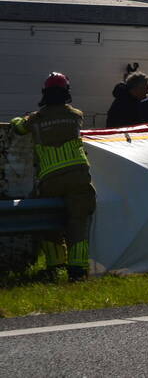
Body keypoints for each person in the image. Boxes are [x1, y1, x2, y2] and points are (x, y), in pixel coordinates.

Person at [10, 73, 96, 282]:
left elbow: (19, 127)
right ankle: (78, 271)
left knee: (49, 223)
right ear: (67, 92)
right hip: (78, 176)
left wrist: (19, 118)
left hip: (51, 179)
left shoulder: (36, 119)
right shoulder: (76, 115)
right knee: (78, 222)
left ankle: (55, 267)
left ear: (44, 93)